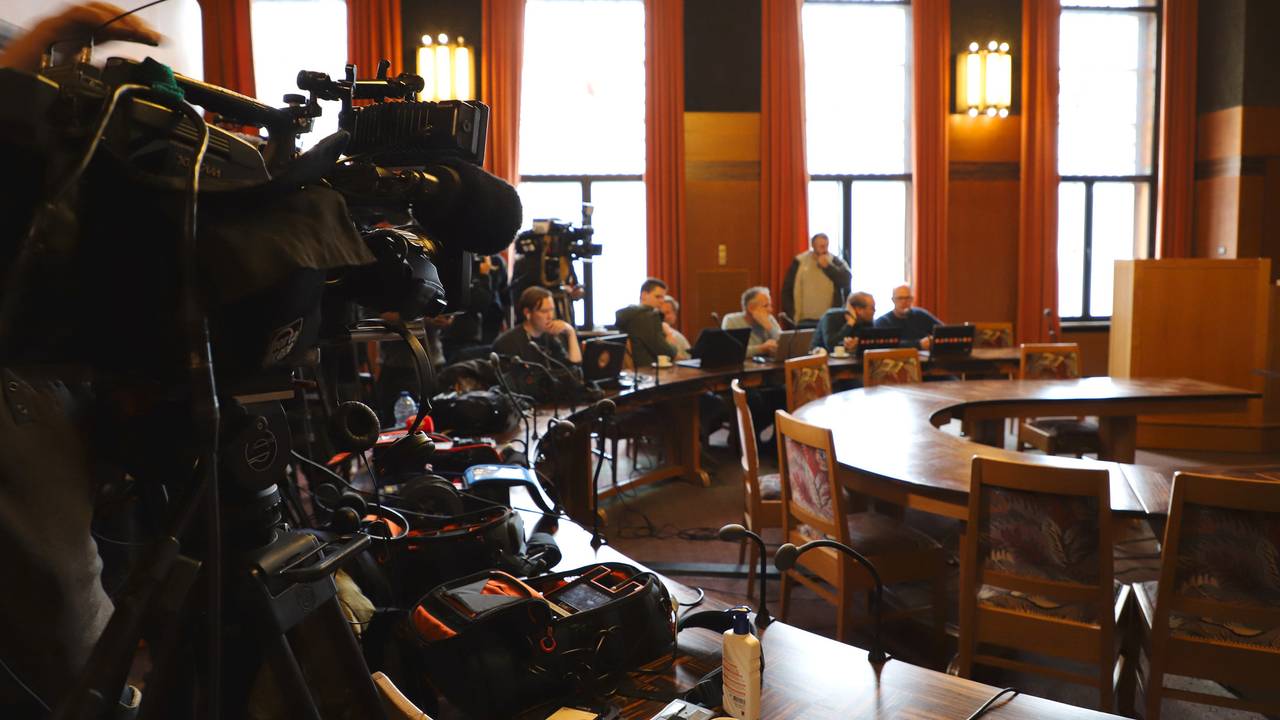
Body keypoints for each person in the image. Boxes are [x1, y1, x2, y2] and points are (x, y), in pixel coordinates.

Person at [493, 286, 582, 366]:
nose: (550, 316)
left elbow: (573, 368)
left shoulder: (549, 337)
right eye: (544, 311)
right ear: (527, 313)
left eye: (552, 310)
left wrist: (571, 332)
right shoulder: (508, 342)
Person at [780, 233, 852, 327]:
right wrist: (791, 314)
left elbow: (846, 281)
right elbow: (787, 290)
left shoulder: (835, 261)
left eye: (826, 245)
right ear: (813, 246)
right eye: (821, 246)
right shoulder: (800, 261)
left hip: (829, 319)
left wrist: (828, 267)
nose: (824, 249)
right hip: (803, 320)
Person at [615, 278, 678, 367]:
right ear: (644, 295)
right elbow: (666, 353)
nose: (662, 301)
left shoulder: (629, 315)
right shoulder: (649, 316)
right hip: (650, 372)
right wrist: (669, 337)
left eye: (663, 297)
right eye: (658, 296)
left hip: (633, 372)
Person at [875, 284, 942, 349]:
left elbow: (942, 331)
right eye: (900, 298)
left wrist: (931, 340)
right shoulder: (883, 322)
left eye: (907, 298)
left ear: (912, 299)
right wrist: (918, 344)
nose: (904, 301)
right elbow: (886, 345)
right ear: (893, 300)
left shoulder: (921, 315)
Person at [721, 286, 781, 358]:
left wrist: (770, 328)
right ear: (751, 308)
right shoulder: (731, 320)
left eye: (770, 305)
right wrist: (761, 349)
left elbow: (785, 347)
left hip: (770, 366)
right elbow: (730, 351)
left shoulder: (769, 319)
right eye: (766, 306)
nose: (770, 310)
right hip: (743, 367)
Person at [811, 291, 876, 353]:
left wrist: (857, 344)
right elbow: (831, 346)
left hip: (853, 361)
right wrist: (849, 324)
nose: (874, 310)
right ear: (859, 309)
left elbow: (872, 344)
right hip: (822, 360)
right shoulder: (831, 316)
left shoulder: (867, 321)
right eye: (872, 308)